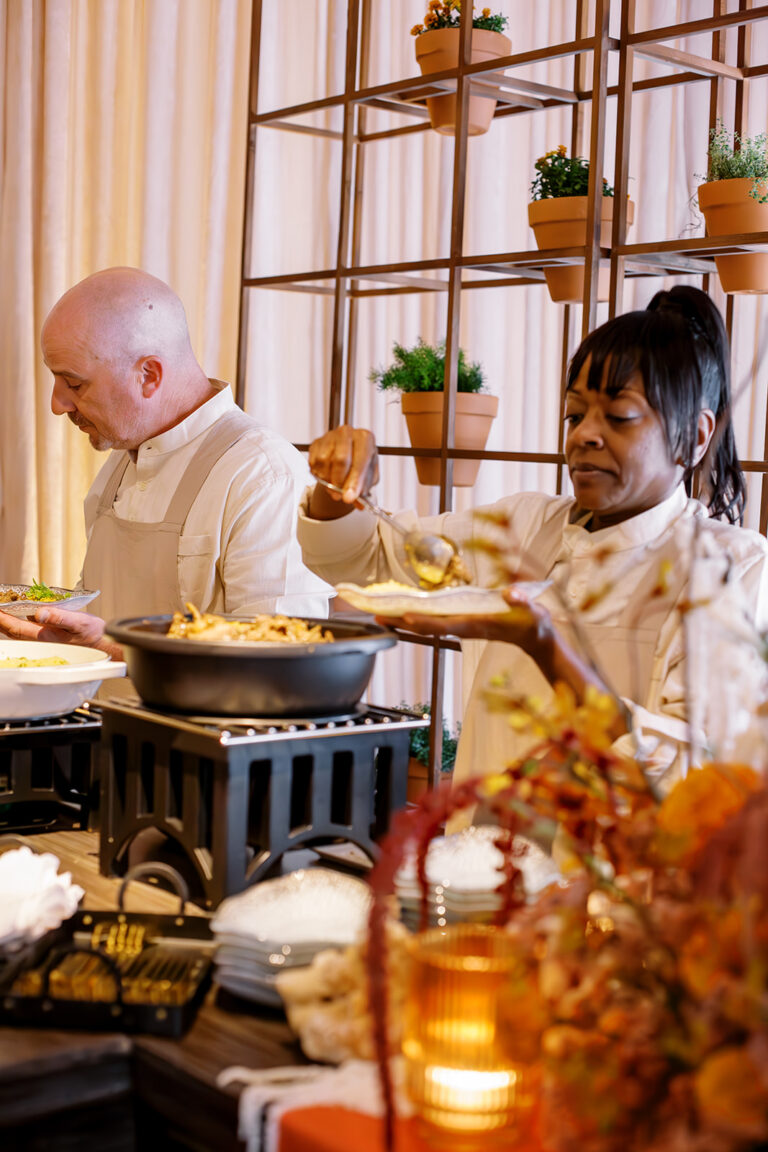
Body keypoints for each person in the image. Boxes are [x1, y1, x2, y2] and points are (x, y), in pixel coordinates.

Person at [297, 286, 768, 802]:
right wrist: (337, 485)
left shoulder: (735, 571)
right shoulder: (520, 528)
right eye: (574, 414)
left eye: (618, 416)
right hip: (480, 863)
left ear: (696, 437)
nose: (584, 434)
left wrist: (543, 643)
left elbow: (688, 779)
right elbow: (365, 557)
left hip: (612, 879)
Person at [0, 267, 331, 657]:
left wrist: (116, 648)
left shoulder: (263, 475)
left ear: (148, 375)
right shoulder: (122, 459)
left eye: (74, 384)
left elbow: (284, 663)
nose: (58, 405)